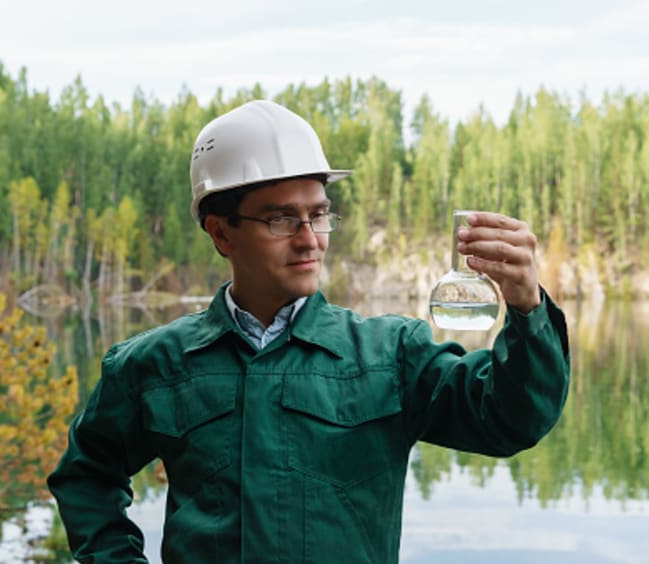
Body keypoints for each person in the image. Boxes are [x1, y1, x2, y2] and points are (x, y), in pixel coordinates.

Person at [48, 100, 569, 563]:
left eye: (319, 216)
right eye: (281, 220)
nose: (309, 240)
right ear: (220, 232)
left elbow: (509, 421)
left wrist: (525, 308)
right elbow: (87, 475)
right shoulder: (152, 365)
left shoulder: (390, 356)